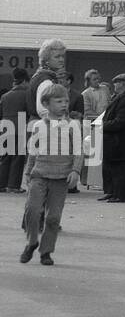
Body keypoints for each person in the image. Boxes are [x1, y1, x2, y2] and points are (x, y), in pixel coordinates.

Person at [19, 82, 81, 266]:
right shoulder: (38, 125)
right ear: (46, 104)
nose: (64, 104)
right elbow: (33, 151)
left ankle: (46, 251)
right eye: (59, 101)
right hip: (39, 175)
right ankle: (31, 242)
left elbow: (78, 151)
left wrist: (75, 170)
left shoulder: (73, 126)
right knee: (32, 210)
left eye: (66, 101)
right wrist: (28, 172)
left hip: (61, 179)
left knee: (53, 217)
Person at [98, 73, 125, 203]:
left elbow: (121, 122)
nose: (114, 85)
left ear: (123, 84)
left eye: (116, 82)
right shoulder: (120, 97)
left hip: (121, 140)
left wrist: (103, 125)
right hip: (114, 140)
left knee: (119, 169)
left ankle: (120, 194)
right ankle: (111, 192)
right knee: (110, 167)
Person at [0, 69, 31, 192]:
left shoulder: (5, 96)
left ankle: (1, 184)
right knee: (18, 157)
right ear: (24, 82)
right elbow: (29, 111)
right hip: (20, 127)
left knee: (5, 157)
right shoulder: (27, 95)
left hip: (5, 128)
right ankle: (13, 185)